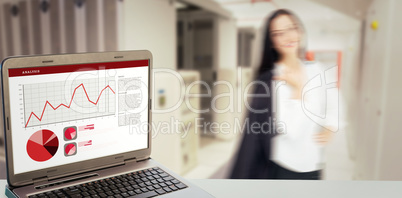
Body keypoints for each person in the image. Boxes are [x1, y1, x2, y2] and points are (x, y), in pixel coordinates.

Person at [230, 9, 338, 180]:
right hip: (285, 167)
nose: (288, 37)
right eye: (279, 34)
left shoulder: (317, 69)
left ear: (300, 31)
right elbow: (291, 131)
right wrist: (298, 91)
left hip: (314, 164)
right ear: (272, 42)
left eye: (291, 28)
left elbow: (334, 102)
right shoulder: (273, 79)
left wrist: (331, 125)